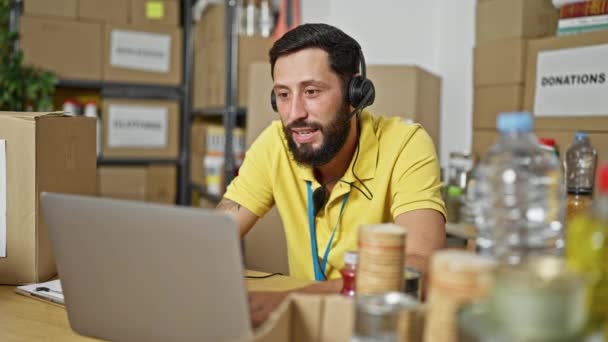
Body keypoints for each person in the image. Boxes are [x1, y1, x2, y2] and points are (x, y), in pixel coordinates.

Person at [217, 23, 446, 327]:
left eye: (312, 92)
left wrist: (298, 298)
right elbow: (217, 234)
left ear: (356, 94)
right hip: (311, 325)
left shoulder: (406, 144)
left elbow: (421, 267)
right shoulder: (275, 143)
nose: (294, 112)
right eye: (283, 95)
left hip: (376, 327)